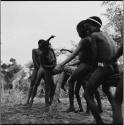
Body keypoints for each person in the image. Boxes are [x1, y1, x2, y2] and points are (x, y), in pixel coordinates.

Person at [55, 20, 100, 113]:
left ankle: (72, 106)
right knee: (86, 89)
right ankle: (88, 109)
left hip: (84, 67)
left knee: (71, 81)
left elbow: (74, 54)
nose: (78, 34)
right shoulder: (93, 39)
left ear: (83, 31)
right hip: (91, 67)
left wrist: (61, 64)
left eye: (78, 32)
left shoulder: (84, 40)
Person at [82, 16, 118, 123]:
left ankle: (99, 122)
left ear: (96, 26)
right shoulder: (108, 36)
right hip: (115, 67)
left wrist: (92, 70)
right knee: (106, 89)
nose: (87, 30)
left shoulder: (94, 35)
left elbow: (95, 56)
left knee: (87, 94)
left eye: (88, 27)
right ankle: (117, 116)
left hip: (105, 67)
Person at [27, 35, 56, 107]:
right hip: (40, 68)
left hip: (46, 69)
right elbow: (35, 61)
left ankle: (49, 101)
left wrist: (50, 38)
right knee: (34, 84)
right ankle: (29, 100)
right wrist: (39, 68)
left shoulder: (50, 50)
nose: (48, 46)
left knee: (49, 85)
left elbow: (54, 60)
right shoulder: (37, 51)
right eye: (46, 45)